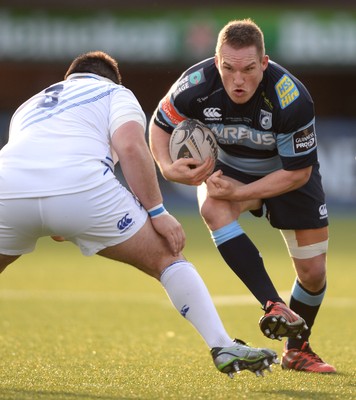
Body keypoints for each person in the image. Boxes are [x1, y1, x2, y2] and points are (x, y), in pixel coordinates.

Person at [0, 51, 279, 378]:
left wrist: (53, 216)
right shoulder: (115, 93)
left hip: (8, 186)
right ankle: (221, 343)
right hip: (82, 188)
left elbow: (34, 164)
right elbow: (132, 146)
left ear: (69, 78)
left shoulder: (31, 104)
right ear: (111, 78)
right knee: (167, 258)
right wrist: (158, 211)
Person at [149, 19, 336, 373]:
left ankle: (297, 351)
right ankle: (272, 304)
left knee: (313, 273)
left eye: (249, 69)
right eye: (229, 68)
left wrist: (244, 192)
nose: (238, 80)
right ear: (216, 61)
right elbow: (160, 124)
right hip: (229, 170)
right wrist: (165, 166)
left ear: (263, 64)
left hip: (285, 173)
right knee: (213, 209)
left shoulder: (290, 96)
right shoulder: (194, 85)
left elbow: (299, 172)